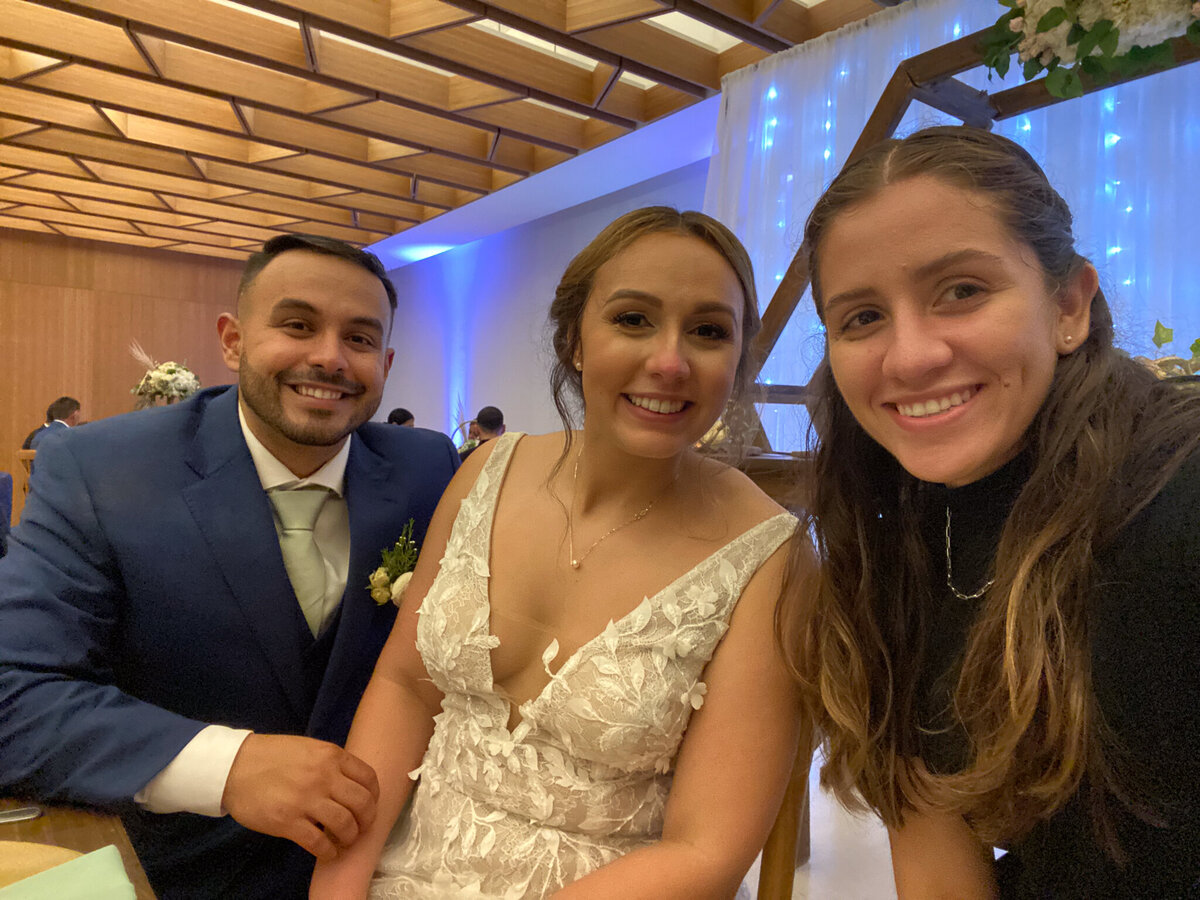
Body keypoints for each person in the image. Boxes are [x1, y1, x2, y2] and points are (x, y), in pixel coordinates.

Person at [311, 207, 806, 898]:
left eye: (707, 331)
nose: (668, 361)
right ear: (574, 339)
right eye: (633, 319)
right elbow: (405, 686)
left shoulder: (769, 554)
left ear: (739, 358)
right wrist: (339, 883)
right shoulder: (487, 469)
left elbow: (706, 851)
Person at [778, 126, 1200, 898]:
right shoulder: (893, 534)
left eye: (962, 291)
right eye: (862, 317)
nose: (909, 357)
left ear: (1070, 303)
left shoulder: (1177, 496)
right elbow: (934, 842)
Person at [0, 234, 460, 899]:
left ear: (385, 361)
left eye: (359, 339)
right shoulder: (102, 472)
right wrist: (229, 766)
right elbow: (13, 690)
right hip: (172, 868)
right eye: (298, 325)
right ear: (233, 340)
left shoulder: (429, 469)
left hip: (385, 864)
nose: (329, 357)